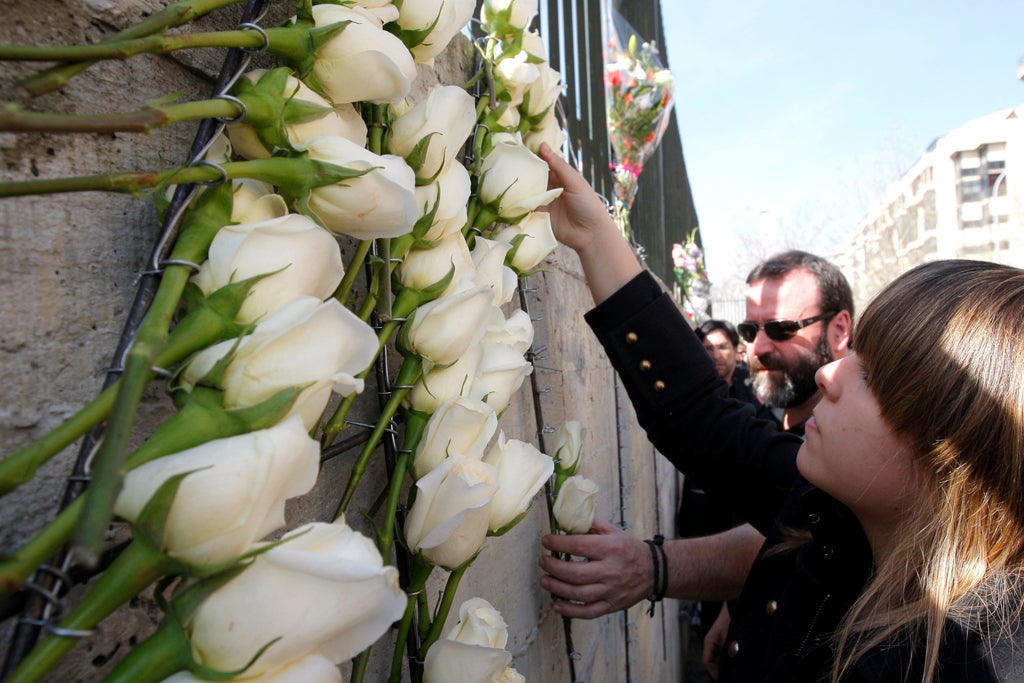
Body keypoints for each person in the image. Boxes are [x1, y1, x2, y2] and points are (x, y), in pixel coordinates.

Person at [535, 142, 1024, 681]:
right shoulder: (843, 510)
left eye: (877, 377)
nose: (830, 374)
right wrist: (594, 236)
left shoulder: (957, 661)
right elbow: (705, 419)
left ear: (954, 453)